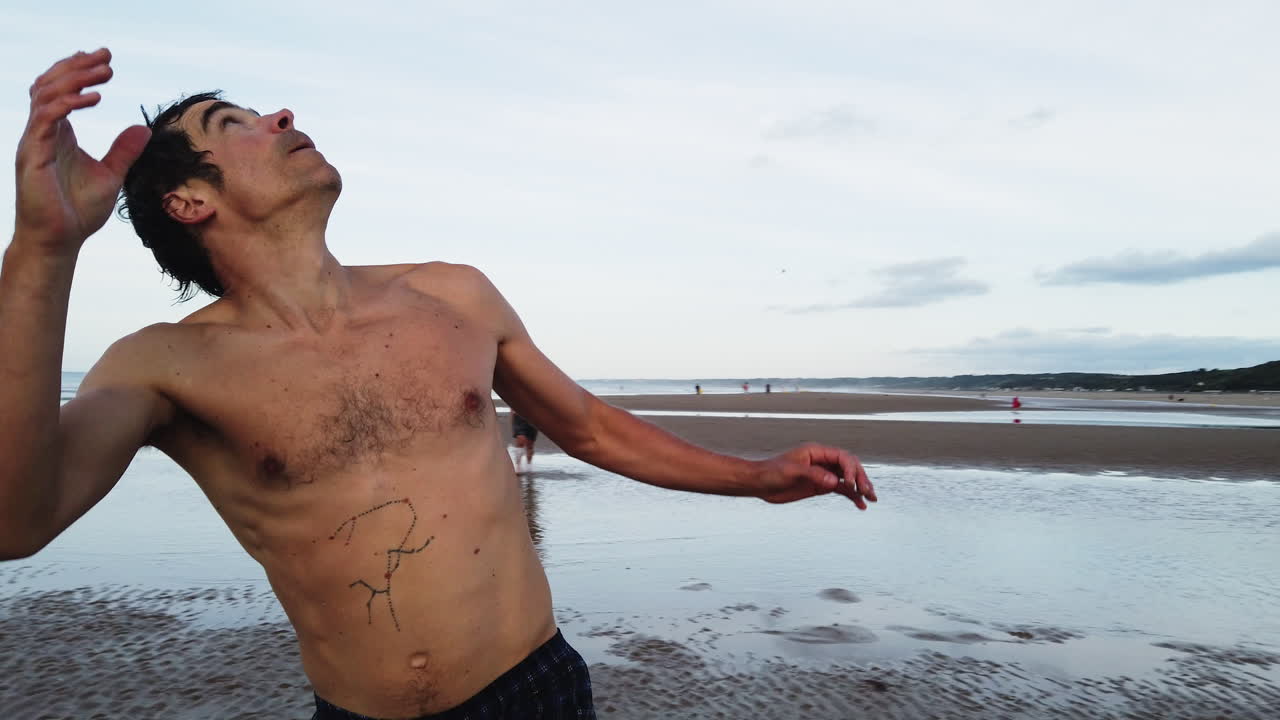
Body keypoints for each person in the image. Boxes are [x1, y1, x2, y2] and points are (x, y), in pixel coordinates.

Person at [0, 49, 876, 720]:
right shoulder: (161, 365)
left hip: (532, 688)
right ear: (192, 200)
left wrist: (757, 478)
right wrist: (45, 245)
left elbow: (590, 429)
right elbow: (16, 522)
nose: (280, 115)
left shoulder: (451, 293)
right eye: (232, 123)